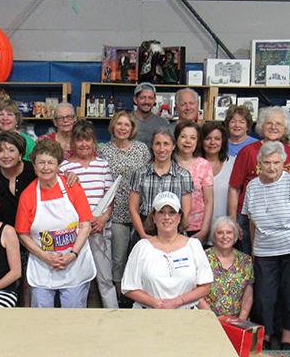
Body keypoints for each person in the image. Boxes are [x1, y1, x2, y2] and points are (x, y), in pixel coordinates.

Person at [243, 141, 290, 348]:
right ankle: (266, 337)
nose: (272, 167)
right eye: (267, 162)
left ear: (283, 162)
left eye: (276, 162)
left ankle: (287, 339)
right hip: (265, 250)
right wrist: (254, 251)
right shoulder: (252, 186)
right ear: (259, 164)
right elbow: (251, 222)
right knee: (264, 297)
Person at [15, 139, 97, 308]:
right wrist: (46, 257)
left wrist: (72, 254)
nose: (46, 167)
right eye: (41, 163)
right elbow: (22, 234)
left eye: (50, 162)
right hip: (43, 267)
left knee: (73, 317)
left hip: (74, 264)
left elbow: (85, 225)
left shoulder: (72, 186)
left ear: (58, 165)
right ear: (34, 166)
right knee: (42, 317)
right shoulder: (28, 195)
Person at [61, 122, 119, 308]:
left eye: (87, 139)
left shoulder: (102, 165)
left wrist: (103, 219)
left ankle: (113, 316)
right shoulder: (64, 168)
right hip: (76, 233)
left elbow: (109, 197)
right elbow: (63, 202)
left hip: (99, 229)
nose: (84, 144)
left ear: (94, 142)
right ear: (72, 142)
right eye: (79, 140)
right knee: (77, 280)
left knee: (105, 278)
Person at [121, 192, 213, 309]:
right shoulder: (142, 247)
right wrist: (156, 304)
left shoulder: (194, 245)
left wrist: (178, 302)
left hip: (186, 316)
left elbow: (205, 286)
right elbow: (129, 287)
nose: (167, 217)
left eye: (172, 212)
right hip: (148, 314)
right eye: (161, 212)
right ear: (154, 217)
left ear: (179, 217)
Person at [229, 107, 290, 252]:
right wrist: (233, 220)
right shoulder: (248, 151)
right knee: (250, 262)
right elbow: (234, 188)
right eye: (269, 123)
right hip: (249, 218)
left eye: (278, 124)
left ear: (285, 128)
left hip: (281, 221)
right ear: (262, 126)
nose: (273, 127)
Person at [97, 111, 151, 301]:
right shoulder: (104, 150)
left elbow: (148, 176)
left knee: (139, 258)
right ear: (113, 126)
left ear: (132, 128)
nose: (122, 128)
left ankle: (140, 296)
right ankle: (120, 297)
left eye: (126, 125)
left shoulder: (142, 149)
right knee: (118, 258)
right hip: (116, 212)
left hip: (140, 211)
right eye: (119, 124)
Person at [129, 129, 193, 240]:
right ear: (152, 146)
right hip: (145, 230)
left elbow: (185, 210)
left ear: (173, 146)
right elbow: (133, 208)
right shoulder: (140, 174)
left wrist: (175, 234)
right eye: (157, 144)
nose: (162, 149)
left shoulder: (183, 175)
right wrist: (143, 234)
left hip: (172, 230)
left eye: (166, 144)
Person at [0, 130, 37, 226]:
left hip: (32, 230)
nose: (6, 156)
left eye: (11, 150)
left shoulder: (33, 171)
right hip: (0, 232)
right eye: (0, 151)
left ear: (20, 154)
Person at [199, 216, 253, 318]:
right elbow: (197, 293)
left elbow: (248, 295)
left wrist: (241, 321)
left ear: (235, 236)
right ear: (214, 237)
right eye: (220, 233)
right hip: (208, 319)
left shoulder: (245, 261)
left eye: (229, 232)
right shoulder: (203, 258)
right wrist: (213, 320)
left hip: (237, 322)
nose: (225, 236)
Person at [173, 120, 214, 241]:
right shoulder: (168, 162)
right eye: (183, 137)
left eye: (192, 138)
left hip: (196, 228)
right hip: (170, 225)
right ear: (176, 139)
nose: (187, 141)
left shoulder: (203, 165)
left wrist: (205, 229)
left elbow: (209, 200)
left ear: (197, 141)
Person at [202, 122, 234, 245]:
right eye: (208, 138)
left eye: (217, 139)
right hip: (198, 231)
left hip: (224, 234)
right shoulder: (195, 165)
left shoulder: (232, 164)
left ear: (223, 141)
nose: (212, 142)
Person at [0, 101, 35, 171]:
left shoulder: (29, 143)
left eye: (9, 114)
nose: (5, 118)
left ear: (17, 119)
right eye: (1, 114)